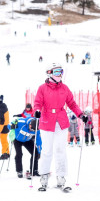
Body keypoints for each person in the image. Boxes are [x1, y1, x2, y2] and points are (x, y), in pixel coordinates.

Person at [33, 62, 87, 190]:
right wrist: (37, 111)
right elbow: (37, 102)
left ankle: (61, 177)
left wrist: (80, 114)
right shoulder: (42, 88)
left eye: (61, 72)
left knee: (60, 150)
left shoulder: (64, 88)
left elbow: (72, 104)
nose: (60, 75)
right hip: (46, 123)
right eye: (57, 72)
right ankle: (44, 176)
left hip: (61, 122)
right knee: (46, 151)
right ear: (49, 73)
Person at [0, 95, 10, 160]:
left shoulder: (1, 110)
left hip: (3, 128)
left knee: (3, 142)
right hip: (6, 127)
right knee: (5, 141)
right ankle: (7, 153)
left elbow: (2, 121)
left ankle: (4, 154)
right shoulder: (4, 108)